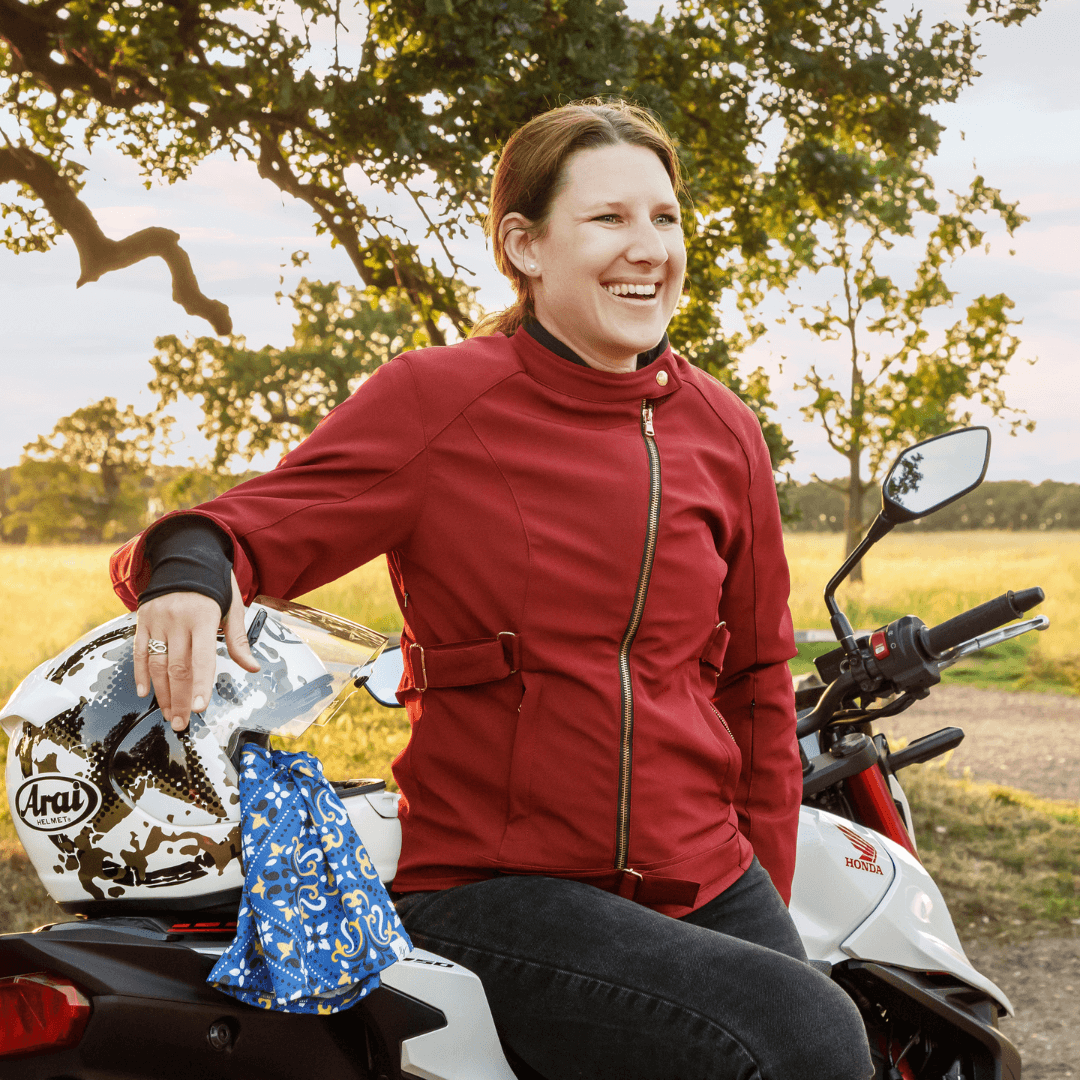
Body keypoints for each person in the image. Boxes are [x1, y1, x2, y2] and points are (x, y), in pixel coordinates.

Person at [112, 99, 873, 1080]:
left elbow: (758, 683)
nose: (648, 248)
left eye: (665, 217)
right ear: (524, 245)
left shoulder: (725, 430)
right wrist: (188, 575)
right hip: (503, 889)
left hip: (707, 874)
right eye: (608, 218)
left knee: (815, 1019)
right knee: (808, 1032)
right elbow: (246, 525)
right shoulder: (438, 400)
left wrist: (760, 886)